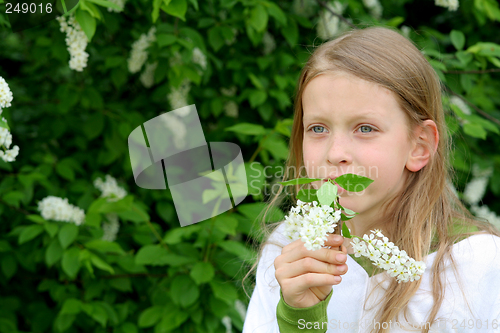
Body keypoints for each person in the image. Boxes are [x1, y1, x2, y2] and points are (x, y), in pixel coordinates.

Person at [242, 26, 500, 333]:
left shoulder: (477, 265)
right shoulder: (288, 250)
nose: (335, 153)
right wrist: (300, 317)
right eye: (318, 129)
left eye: (365, 128)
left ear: (418, 146)